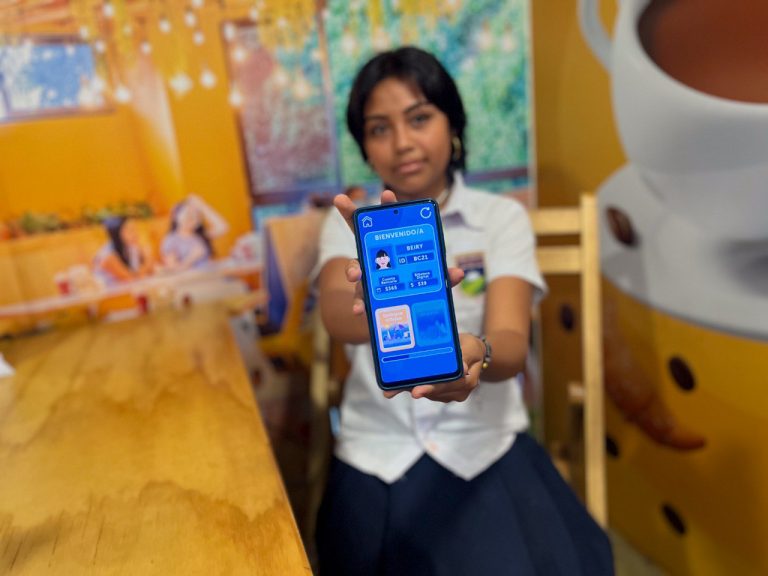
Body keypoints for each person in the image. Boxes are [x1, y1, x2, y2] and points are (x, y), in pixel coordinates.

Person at [315, 46, 614, 575]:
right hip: (375, 451)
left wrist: (479, 352)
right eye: (380, 128)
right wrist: (377, 304)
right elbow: (337, 315)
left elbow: (511, 342)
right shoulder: (351, 224)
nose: (402, 142)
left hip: (485, 444)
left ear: (452, 125)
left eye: (419, 118)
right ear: (365, 146)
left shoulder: (501, 218)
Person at [161, 194, 229, 271]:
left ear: (198, 222)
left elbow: (223, 227)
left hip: (210, 273)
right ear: (176, 216)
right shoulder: (171, 240)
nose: (191, 218)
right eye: (187, 214)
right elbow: (174, 269)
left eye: (195, 215)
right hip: (195, 277)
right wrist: (192, 257)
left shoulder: (200, 236)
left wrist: (202, 206)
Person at [93, 216, 154, 285]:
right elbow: (131, 279)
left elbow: (149, 273)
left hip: (127, 289)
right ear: (117, 234)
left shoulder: (130, 248)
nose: (135, 234)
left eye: (135, 229)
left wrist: (146, 261)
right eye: (130, 230)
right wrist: (148, 259)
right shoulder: (108, 256)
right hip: (111, 291)